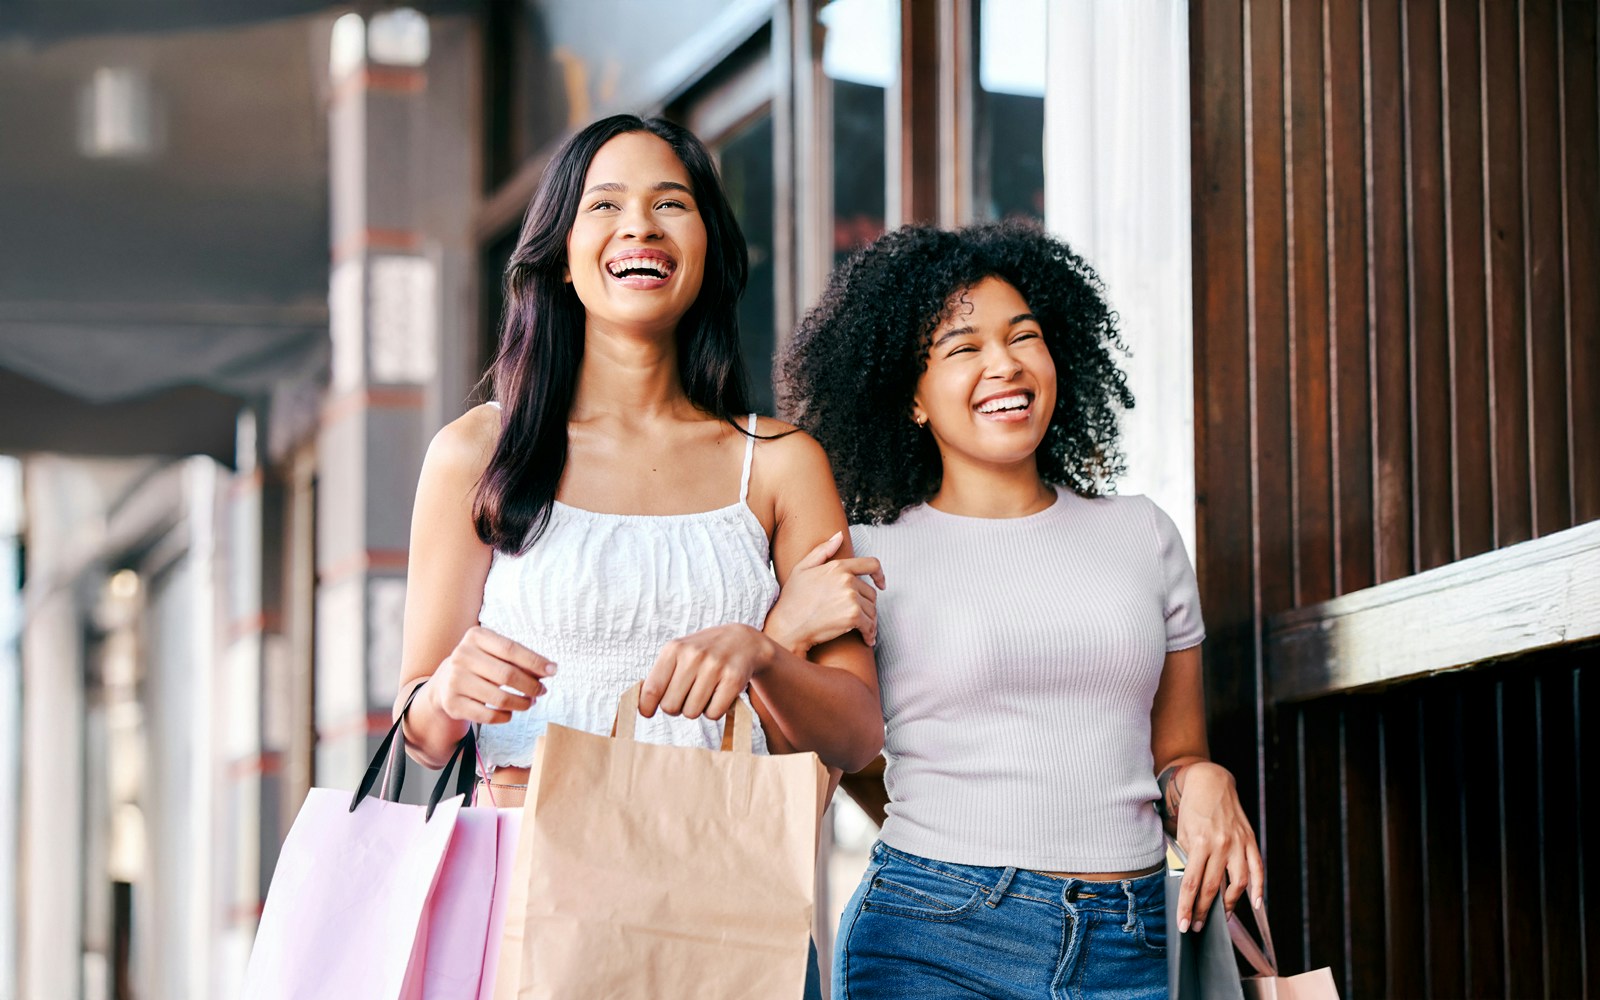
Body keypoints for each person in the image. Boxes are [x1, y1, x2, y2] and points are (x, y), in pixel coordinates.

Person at [390, 115, 883, 992]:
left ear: (708, 249)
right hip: (529, 903)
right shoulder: (479, 455)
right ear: (561, 255)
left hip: (724, 908)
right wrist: (443, 695)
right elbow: (414, 738)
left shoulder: (776, 465)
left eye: (671, 204)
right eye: (604, 205)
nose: (640, 228)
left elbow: (852, 733)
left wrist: (763, 649)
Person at [780, 221, 1264, 999]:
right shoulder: (866, 557)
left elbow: (1173, 751)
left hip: (1134, 941)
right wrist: (781, 636)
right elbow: (832, 756)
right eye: (963, 347)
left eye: (1024, 336)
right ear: (910, 396)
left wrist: (1201, 778)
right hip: (933, 938)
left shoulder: (1142, 533)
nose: (1003, 364)